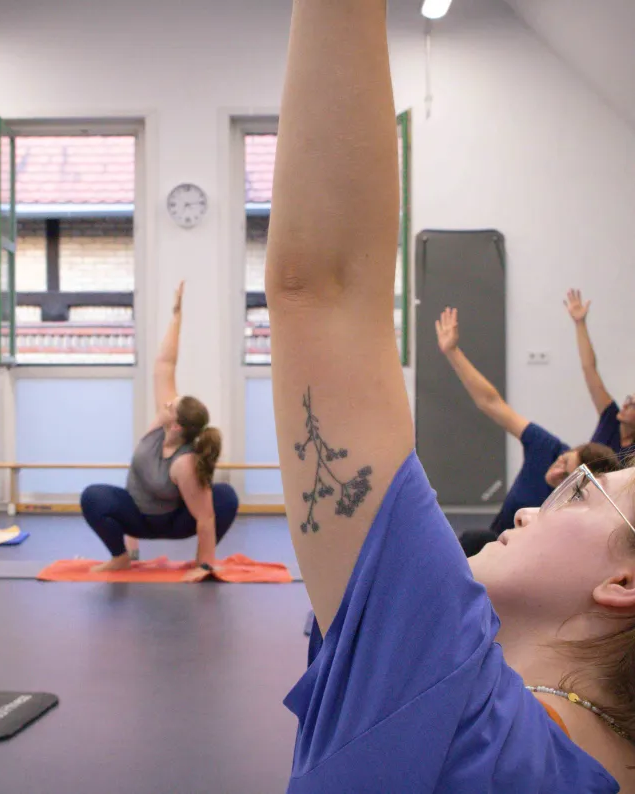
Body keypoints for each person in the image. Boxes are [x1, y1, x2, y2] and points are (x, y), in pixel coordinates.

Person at [267, 2, 634, 790]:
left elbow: (319, 287)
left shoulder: (447, 702)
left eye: (581, 493)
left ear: (625, 586)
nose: (535, 503)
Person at [80, 282, 239, 577]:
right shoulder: (160, 426)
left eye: (170, 407)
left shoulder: (185, 462)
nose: (165, 405)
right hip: (137, 516)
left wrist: (204, 567)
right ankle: (120, 557)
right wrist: (176, 317)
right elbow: (164, 365)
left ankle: (200, 559)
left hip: (174, 523)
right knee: (93, 496)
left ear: (177, 425)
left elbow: (205, 517)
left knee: (225, 497)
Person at [436, 306, 620, 536]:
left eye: (565, 477)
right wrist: (452, 351)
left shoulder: (582, 513)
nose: (556, 473)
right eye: (563, 462)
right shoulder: (546, 448)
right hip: (494, 546)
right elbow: (491, 403)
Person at [565, 289, 635, 459]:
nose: (625, 405)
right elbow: (589, 369)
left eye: (633, 405)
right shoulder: (611, 417)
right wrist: (580, 323)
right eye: (628, 400)